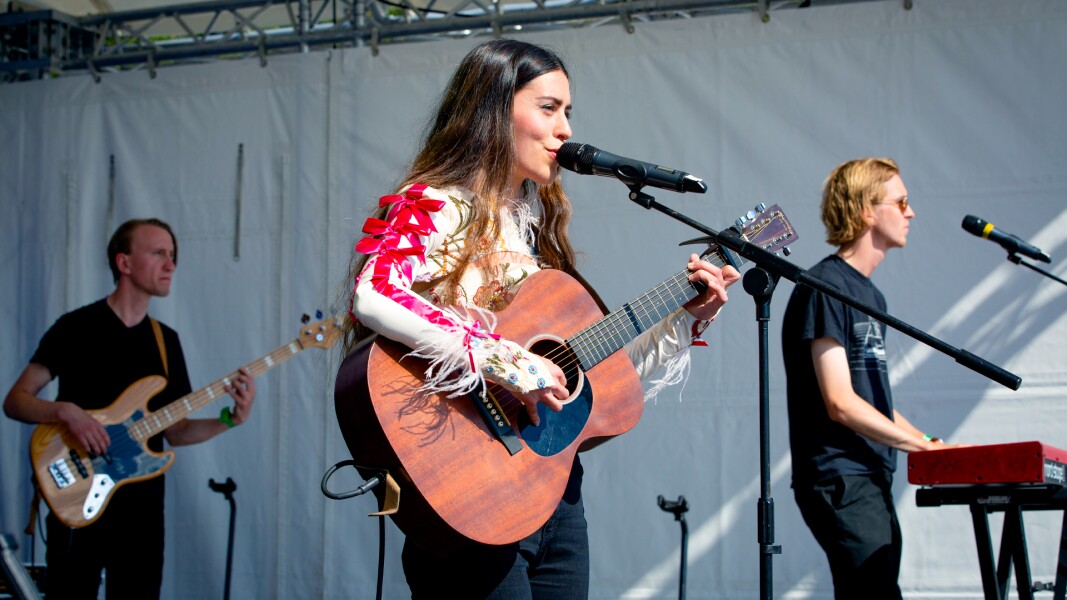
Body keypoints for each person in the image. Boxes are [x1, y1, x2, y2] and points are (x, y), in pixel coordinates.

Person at [341, 39, 740, 598]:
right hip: (471, 489)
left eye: (568, 112)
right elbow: (375, 294)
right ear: (491, 111)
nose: (566, 131)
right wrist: (505, 362)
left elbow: (597, 377)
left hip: (551, 494)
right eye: (548, 108)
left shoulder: (533, 231)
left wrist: (684, 316)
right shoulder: (435, 202)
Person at [4, 218, 257, 599]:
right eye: (159, 253)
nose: (171, 263)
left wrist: (230, 419)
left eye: (172, 255)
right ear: (124, 263)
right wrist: (65, 411)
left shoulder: (165, 342)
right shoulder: (73, 328)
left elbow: (177, 431)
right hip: (76, 499)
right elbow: (16, 400)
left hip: (141, 515)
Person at [781, 158, 955, 599]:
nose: (910, 212)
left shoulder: (871, 293)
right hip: (841, 476)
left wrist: (933, 445)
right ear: (866, 210)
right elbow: (840, 402)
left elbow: (870, 400)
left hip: (869, 474)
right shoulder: (826, 286)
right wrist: (919, 446)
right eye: (902, 201)